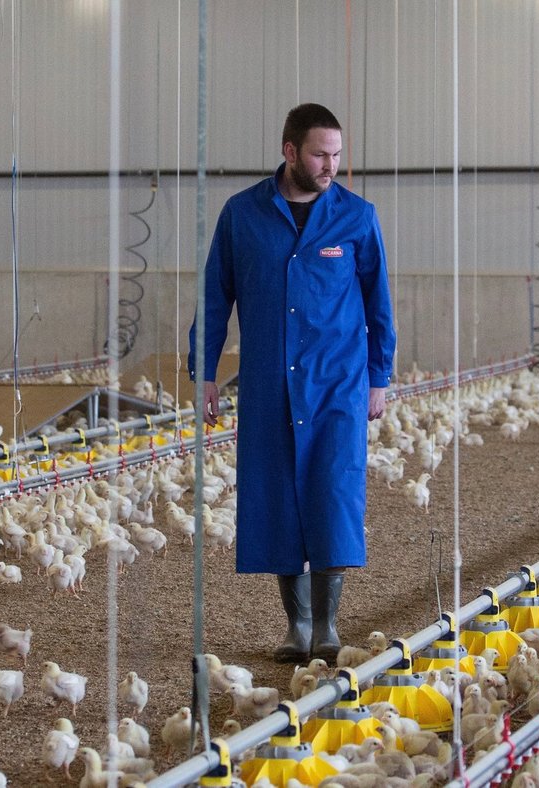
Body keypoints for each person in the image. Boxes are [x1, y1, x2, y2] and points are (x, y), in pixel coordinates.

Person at [188, 103, 396, 662]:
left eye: (336, 155)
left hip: (338, 383)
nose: (330, 165)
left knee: (332, 493)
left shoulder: (356, 217)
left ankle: (328, 625)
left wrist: (379, 376)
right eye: (319, 154)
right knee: (277, 495)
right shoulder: (243, 215)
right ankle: (296, 625)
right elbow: (215, 297)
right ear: (289, 152)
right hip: (268, 383)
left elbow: (380, 304)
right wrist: (203, 372)